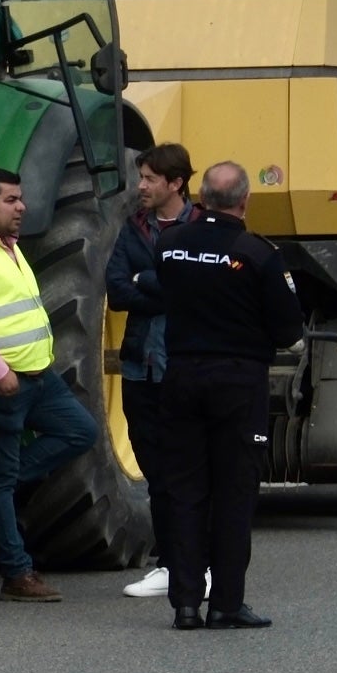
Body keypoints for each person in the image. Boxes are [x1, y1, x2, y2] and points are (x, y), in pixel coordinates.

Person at [154, 162, 302, 630]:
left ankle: (184, 604)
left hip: (180, 377)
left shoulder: (170, 245)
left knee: (185, 490)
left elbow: (160, 294)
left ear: (201, 199)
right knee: (234, 491)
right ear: (244, 201)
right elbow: (289, 331)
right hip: (238, 382)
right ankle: (226, 603)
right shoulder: (257, 253)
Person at [0, 167, 97, 602]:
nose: (22, 207)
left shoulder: (7, 246)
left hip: (38, 379)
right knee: (1, 478)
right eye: (11, 200)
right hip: (1, 385)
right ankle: (16, 573)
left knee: (80, 431)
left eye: (20, 198)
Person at [107, 144, 196, 600]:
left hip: (183, 364)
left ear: (175, 183)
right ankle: (169, 562)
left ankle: (195, 562)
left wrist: (152, 281)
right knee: (154, 467)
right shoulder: (133, 228)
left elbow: (197, 287)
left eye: (148, 178)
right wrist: (159, 286)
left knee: (188, 467)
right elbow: (118, 290)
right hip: (140, 365)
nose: (140, 186)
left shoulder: (200, 227)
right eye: (140, 177)